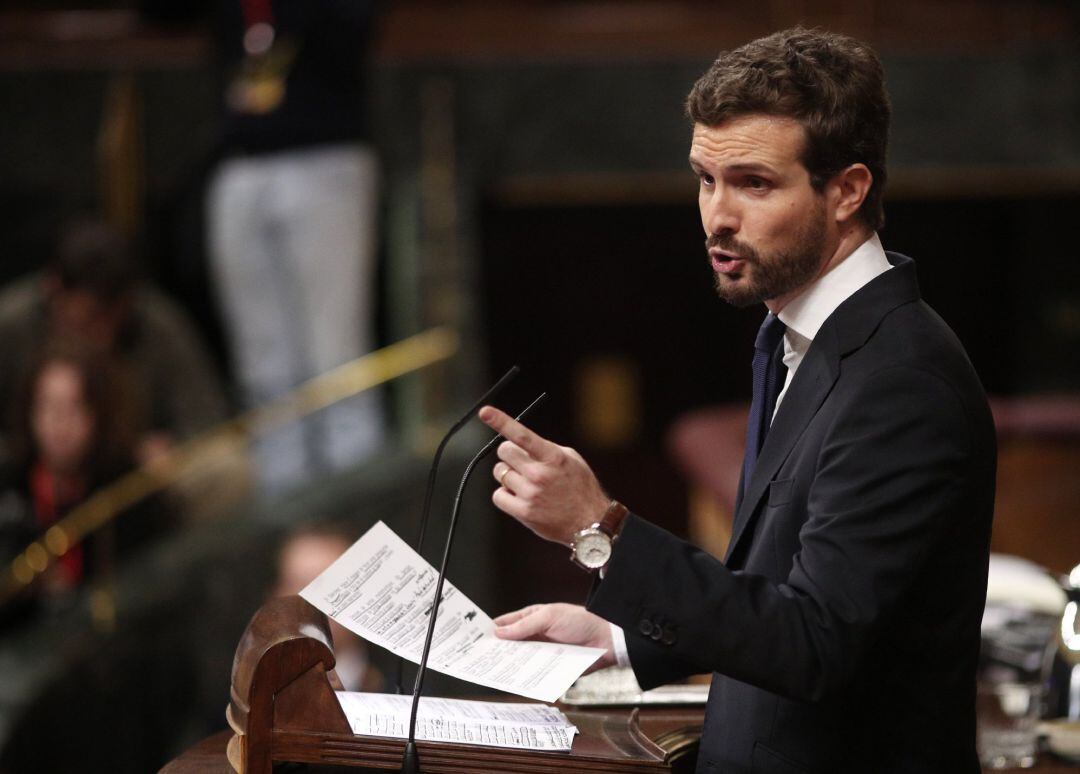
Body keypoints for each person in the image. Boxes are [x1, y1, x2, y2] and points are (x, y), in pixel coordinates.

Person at [478, 28, 996, 774]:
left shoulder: (902, 381)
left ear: (847, 190)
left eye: (754, 184)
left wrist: (602, 530)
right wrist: (622, 638)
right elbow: (778, 588)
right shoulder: (788, 338)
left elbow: (815, 642)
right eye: (705, 179)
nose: (717, 217)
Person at [201, 0, 385, 495]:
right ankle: (287, 540)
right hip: (241, 158)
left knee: (337, 361)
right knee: (264, 372)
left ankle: (358, 532)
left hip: (325, 154)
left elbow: (355, 29)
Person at [0, 218, 228, 468]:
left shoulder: (158, 325)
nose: (102, 335)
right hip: (25, 474)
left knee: (222, 465)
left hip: (131, 474)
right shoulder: (11, 324)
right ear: (54, 290)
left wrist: (166, 448)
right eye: (89, 318)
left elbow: (206, 420)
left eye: (113, 320)